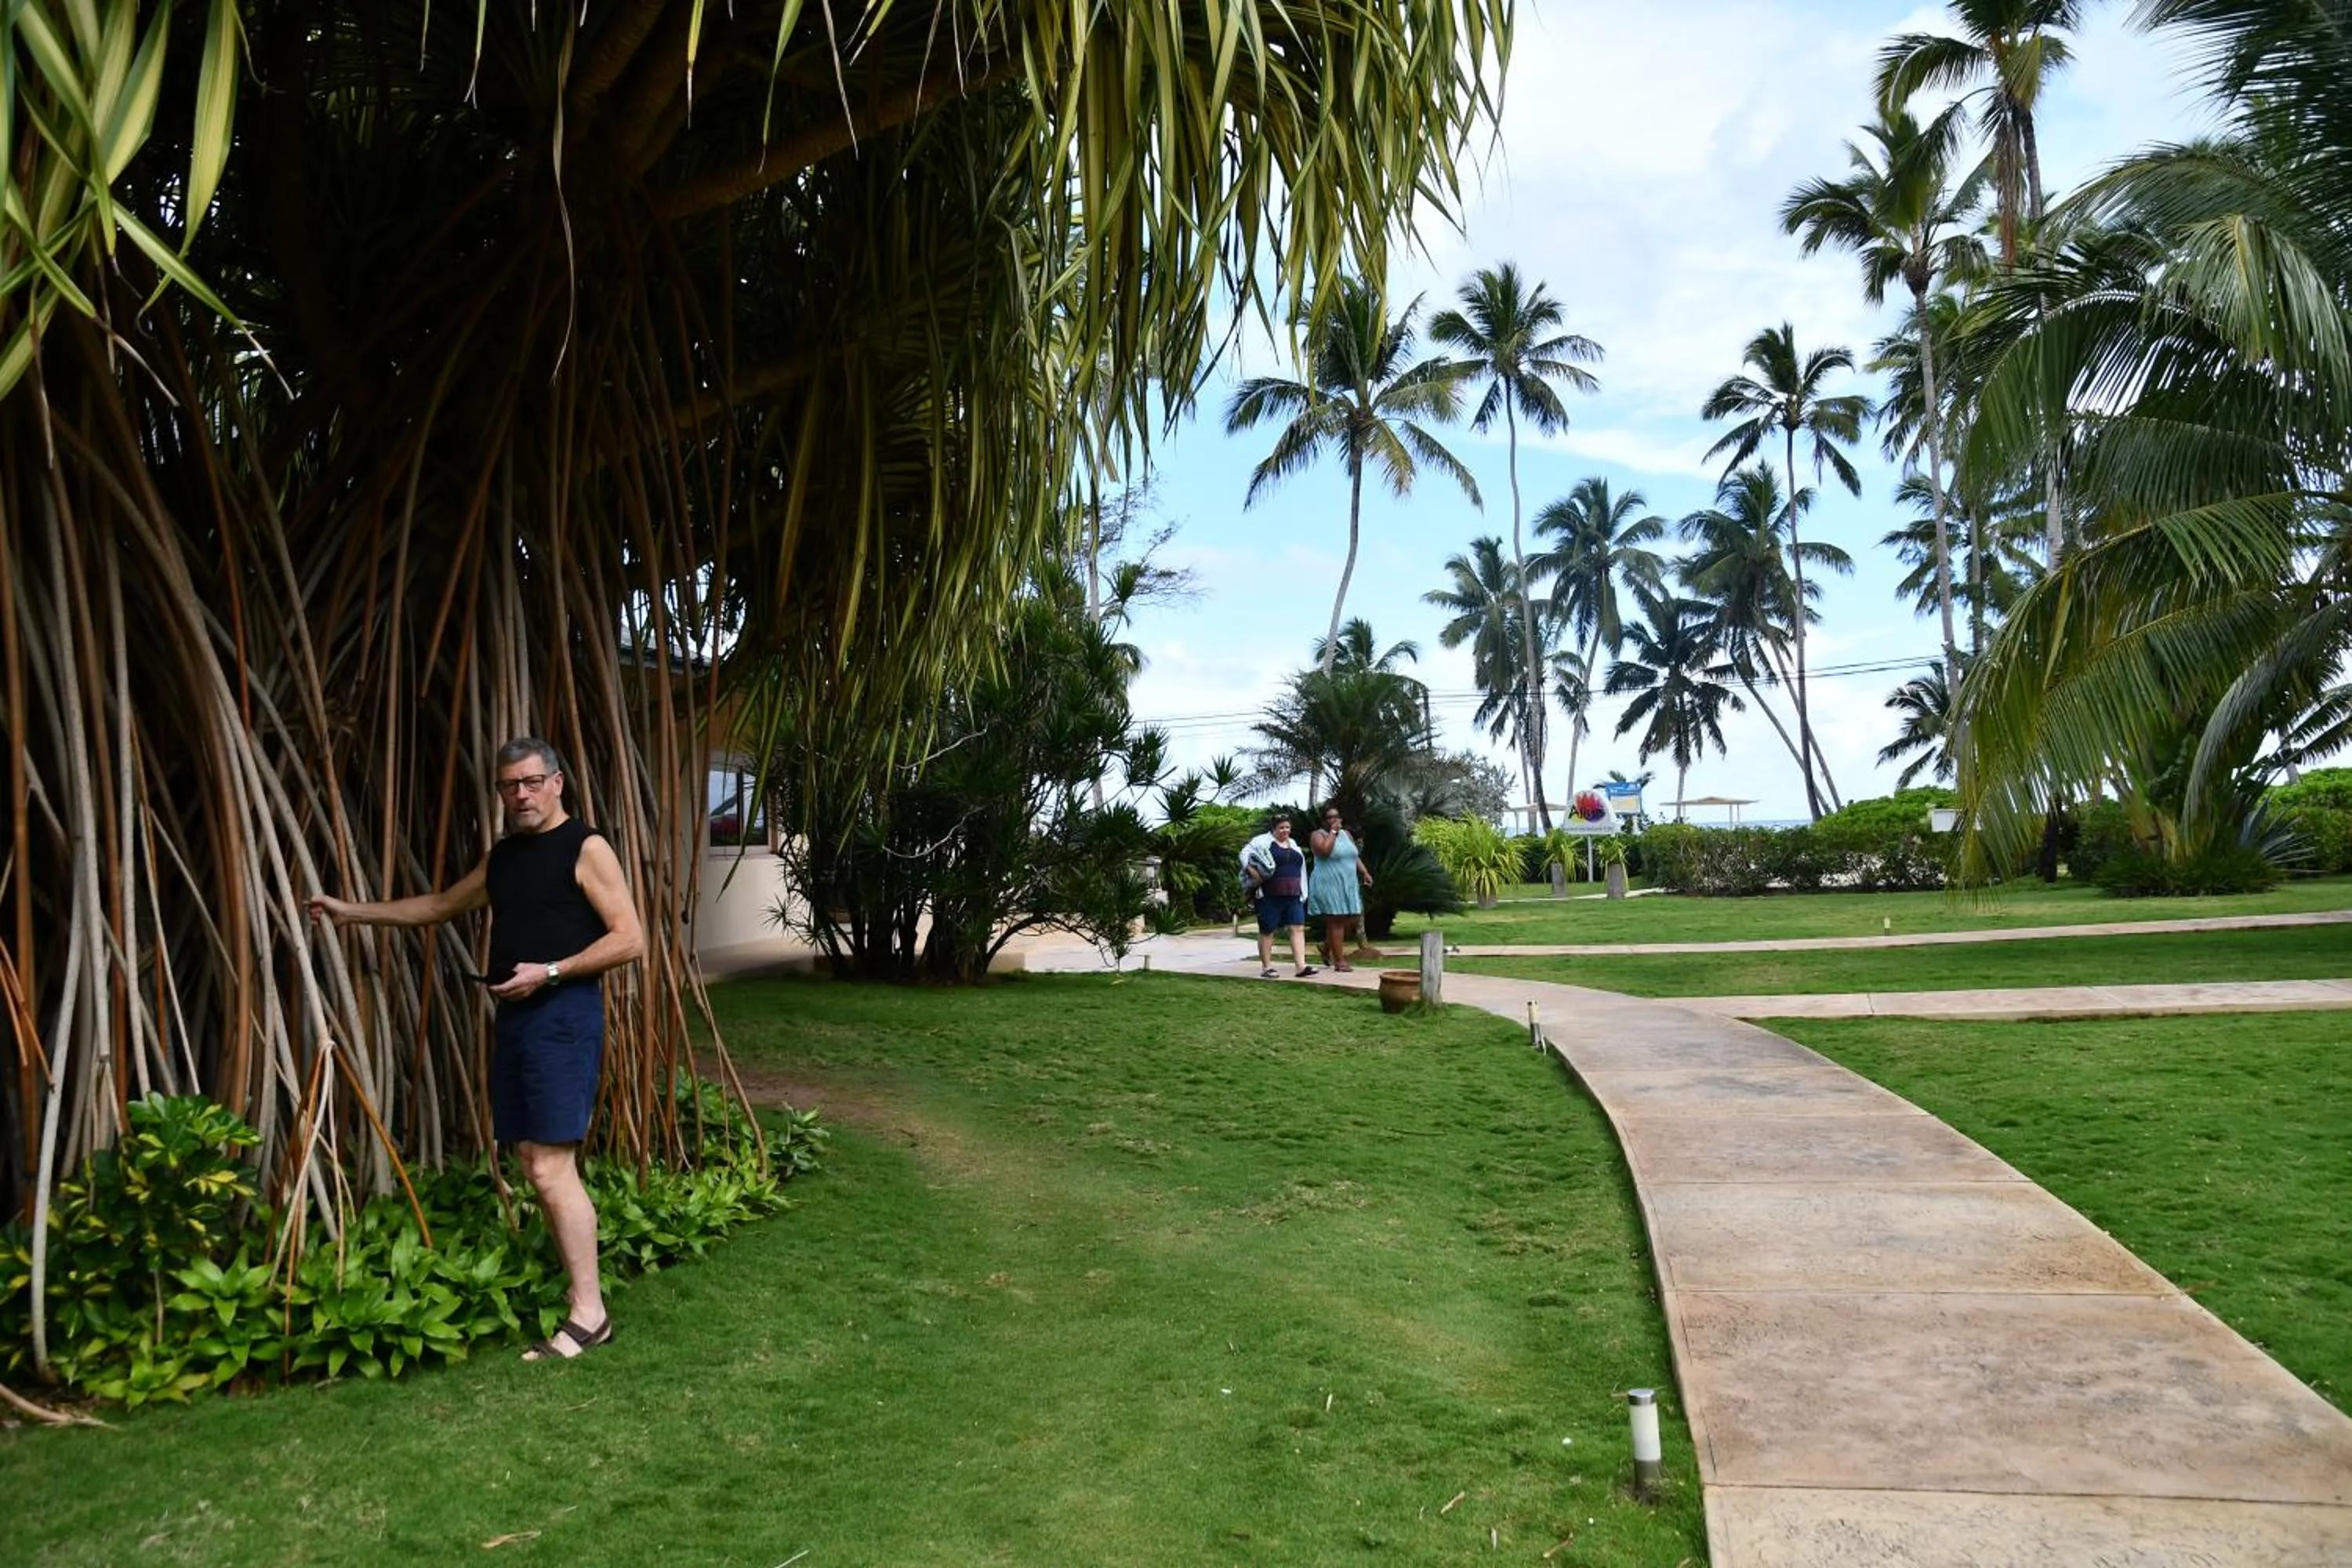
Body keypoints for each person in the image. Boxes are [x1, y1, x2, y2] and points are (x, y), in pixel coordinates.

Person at [308, 737, 644, 1362]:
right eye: (508, 785)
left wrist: (548, 972)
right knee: (532, 1160)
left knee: (549, 1167)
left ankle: (589, 1312)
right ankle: (582, 1296)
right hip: (517, 1021)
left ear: (557, 783)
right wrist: (350, 912)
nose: (520, 794)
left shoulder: (586, 847)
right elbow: (439, 906)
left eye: (531, 782)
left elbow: (630, 939)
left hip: (562, 1017)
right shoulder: (505, 859)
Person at [1239, 815, 1318, 978]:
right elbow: (1244, 854)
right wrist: (1253, 872)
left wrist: (1303, 891)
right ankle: (1267, 967)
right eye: (1281, 827)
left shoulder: (1294, 844)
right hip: (1269, 895)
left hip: (1293, 895)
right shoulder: (1261, 841)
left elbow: (1301, 868)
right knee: (1267, 929)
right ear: (1274, 828)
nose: (1285, 831)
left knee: (1297, 927)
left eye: (1287, 827)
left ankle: (1301, 966)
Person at [1307, 804, 1374, 971]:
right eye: (1329, 817)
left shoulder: (1347, 835)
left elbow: (1353, 855)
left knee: (1353, 918)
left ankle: (1326, 946)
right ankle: (1339, 961)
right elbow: (1324, 851)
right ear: (1324, 821)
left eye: (1336, 816)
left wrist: (1364, 872)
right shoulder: (1318, 835)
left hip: (1348, 883)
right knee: (1335, 921)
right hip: (1329, 884)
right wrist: (1334, 832)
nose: (1333, 819)